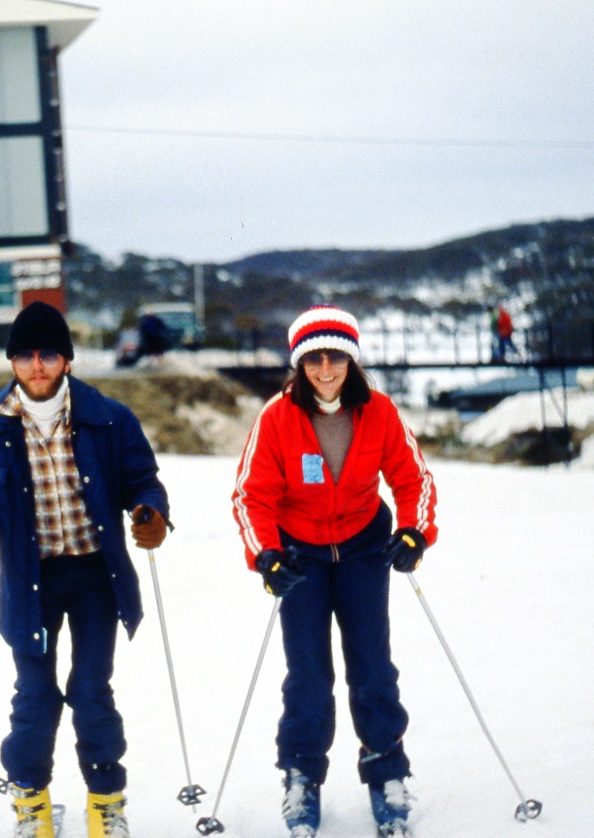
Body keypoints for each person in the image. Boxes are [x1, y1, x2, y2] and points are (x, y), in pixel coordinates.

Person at [0, 301, 171, 838]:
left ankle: (106, 805)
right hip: (29, 581)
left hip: (94, 576)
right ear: (12, 362)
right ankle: (32, 808)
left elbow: (143, 481)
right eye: (24, 355)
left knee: (91, 690)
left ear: (66, 359)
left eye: (47, 354)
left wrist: (151, 513)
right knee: (36, 695)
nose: (36, 365)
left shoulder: (109, 418)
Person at [231, 304, 438, 838]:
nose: (326, 369)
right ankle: (302, 777)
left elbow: (413, 477)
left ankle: (386, 773)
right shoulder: (278, 417)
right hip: (300, 555)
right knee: (307, 673)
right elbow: (251, 496)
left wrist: (414, 531)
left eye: (337, 357)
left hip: (364, 548)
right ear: (299, 364)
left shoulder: (380, 411)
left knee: (371, 665)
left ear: (352, 360)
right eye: (314, 359)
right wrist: (267, 555)